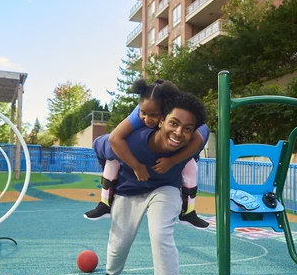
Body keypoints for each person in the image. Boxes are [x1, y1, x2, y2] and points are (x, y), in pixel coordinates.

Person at [92, 91, 209, 275]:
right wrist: (125, 168)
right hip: (130, 189)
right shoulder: (132, 140)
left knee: (160, 235)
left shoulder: (194, 138)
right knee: (120, 242)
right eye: (174, 124)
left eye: (187, 128)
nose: (179, 132)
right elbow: (105, 143)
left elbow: (203, 132)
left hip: (165, 190)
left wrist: (172, 161)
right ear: (160, 120)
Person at [84, 78, 209, 228]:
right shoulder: (139, 115)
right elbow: (114, 138)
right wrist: (136, 166)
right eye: (144, 113)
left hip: (169, 157)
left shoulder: (176, 113)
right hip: (135, 155)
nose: (147, 119)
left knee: (190, 165)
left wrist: (173, 161)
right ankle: (105, 203)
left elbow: (198, 138)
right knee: (114, 157)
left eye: (153, 115)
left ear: (165, 113)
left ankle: (188, 210)